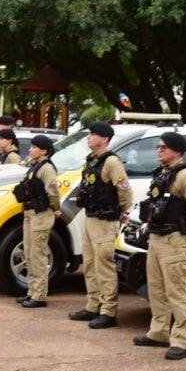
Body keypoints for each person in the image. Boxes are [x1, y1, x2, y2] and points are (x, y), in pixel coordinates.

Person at [131, 132, 186, 360]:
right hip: (156, 237)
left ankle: (181, 341)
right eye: (159, 146)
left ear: (177, 151)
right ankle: (159, 331)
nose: (159, 150)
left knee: (176, 290)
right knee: (156, 288)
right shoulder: (161, 174)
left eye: (165, 147)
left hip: (175, 238)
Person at [69, 121, 133, 329]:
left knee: (104, 265)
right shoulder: (93, 160)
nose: (88, 137)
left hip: (105, 220)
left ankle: (108, 311)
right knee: (89, 264)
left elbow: (125, 192)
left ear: (104, 139)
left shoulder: (112, 162)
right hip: (91, 217)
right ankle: (93, 305)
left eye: (93, 134)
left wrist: (120, 211)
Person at [12, 135, 61, 308]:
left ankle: (39, 295)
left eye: (34, 147)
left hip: (41, 214)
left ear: (44, 150)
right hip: (30, 212)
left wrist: (56, 208)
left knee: (38, 255)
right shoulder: (35, 166)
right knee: (29, 253)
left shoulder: (46, 168)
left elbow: (53, 190)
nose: (30, 149)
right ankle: (31, 291)